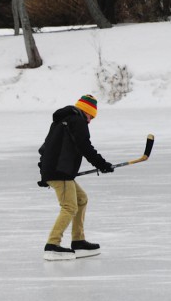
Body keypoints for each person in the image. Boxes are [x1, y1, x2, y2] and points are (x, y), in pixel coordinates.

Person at [38, 94, 114, 261]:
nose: (90, 120)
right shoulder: (77, 121)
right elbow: (85, 147)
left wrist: (44, 171)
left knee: (81, 199)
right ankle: (52, 245)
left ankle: (78, 240)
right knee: (69, 206)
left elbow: (45, 147)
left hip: (56, 170)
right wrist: (102, 164)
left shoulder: (61, 121)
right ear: (85, 111)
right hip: (60, 171)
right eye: (91, 116)